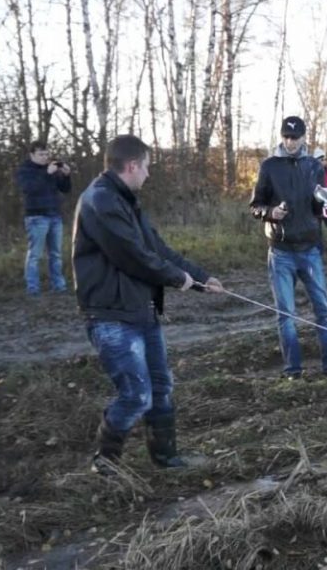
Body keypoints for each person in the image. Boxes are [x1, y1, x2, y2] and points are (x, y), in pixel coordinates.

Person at [72, 134, 224, 475]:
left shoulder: (126, 202)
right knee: (137, 395)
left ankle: (166, 458)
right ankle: (105, 463)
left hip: (141, 310)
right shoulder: (100, 201)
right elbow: (133, 256)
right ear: (131, 165)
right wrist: (175, 279)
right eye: (147, 168)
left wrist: (202, 279)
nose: (149, 175)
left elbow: (158, 249)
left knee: (160, 387)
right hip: (111, 315)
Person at [249, 116, 327, 379]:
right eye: (286, 137)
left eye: (295, 137)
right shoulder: (269, 167)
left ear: (304, 137)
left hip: (310, 250)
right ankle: (293, 370)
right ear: (282, 137)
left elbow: (321, 207)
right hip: (281, 252)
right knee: (286, 315)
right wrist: (271, 212)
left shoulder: (314, 166)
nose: (290, 142)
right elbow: (255, 206)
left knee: (325, 311)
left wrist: (322, 202)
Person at [15, 140, 72, 295]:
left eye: (46, 154)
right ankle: (33, 289)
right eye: (41, 154)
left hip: (55, 215)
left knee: (56, 254)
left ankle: (59, 286)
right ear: (32, 154)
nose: (45, 157)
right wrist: (47, 174)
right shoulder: (25, 170)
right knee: (35, 255)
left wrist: (66, 176)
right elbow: (30, 188)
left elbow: (65, 189)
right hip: (36, 216)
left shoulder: (51, 169)